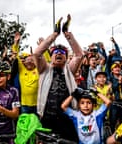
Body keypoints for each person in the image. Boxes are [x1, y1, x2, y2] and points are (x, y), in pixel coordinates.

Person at [33, 14, 83, 142]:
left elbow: (79, 55)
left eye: (62, 53)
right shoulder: (44, 69)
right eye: (55, 52)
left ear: (66, 58)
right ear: (51, 57)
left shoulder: (69, 70)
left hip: (67, 117)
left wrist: (67, 35)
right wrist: (55, 34)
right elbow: (37, 53)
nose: (59, 54)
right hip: (47, 117)